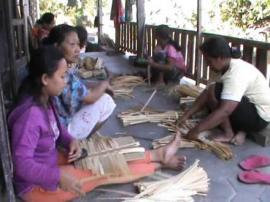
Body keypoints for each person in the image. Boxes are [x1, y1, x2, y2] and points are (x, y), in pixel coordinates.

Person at [8, 46, 186, 201]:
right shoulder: (29, 116)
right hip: (36, 187)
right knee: (101, 172)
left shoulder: (46, 99)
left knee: (101, 155)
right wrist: (58, 176)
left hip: (49, 160)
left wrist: (70, 140)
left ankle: (157, 155)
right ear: (45, 79)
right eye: (62, 76)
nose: (65, 81)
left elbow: (58, 129)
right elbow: (21, 165)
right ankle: (158, 164)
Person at [179, 36, 270, 145]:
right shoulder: (227, 66)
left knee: (219, 104)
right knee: (213, 90)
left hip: (259, 118)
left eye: (209, 61)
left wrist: (195, 131)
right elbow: (208, 91)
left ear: (220, 58)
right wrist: (186, 115)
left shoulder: (235, 74)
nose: (208, 65)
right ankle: (237, 131)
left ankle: (229, 134)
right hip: (249, 109)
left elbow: (225, 111)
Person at [44, 24, 116, 139]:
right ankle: (80, 140)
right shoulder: (62, 74)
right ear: (56, 46)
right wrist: (104, 84)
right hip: (61, 131)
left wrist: (96, 85)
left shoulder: (54, 66)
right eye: (72, 44)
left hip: (56, 123)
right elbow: (91, 97)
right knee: (106, 100)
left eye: (78, 44)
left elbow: (78, 85)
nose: (77, 49)